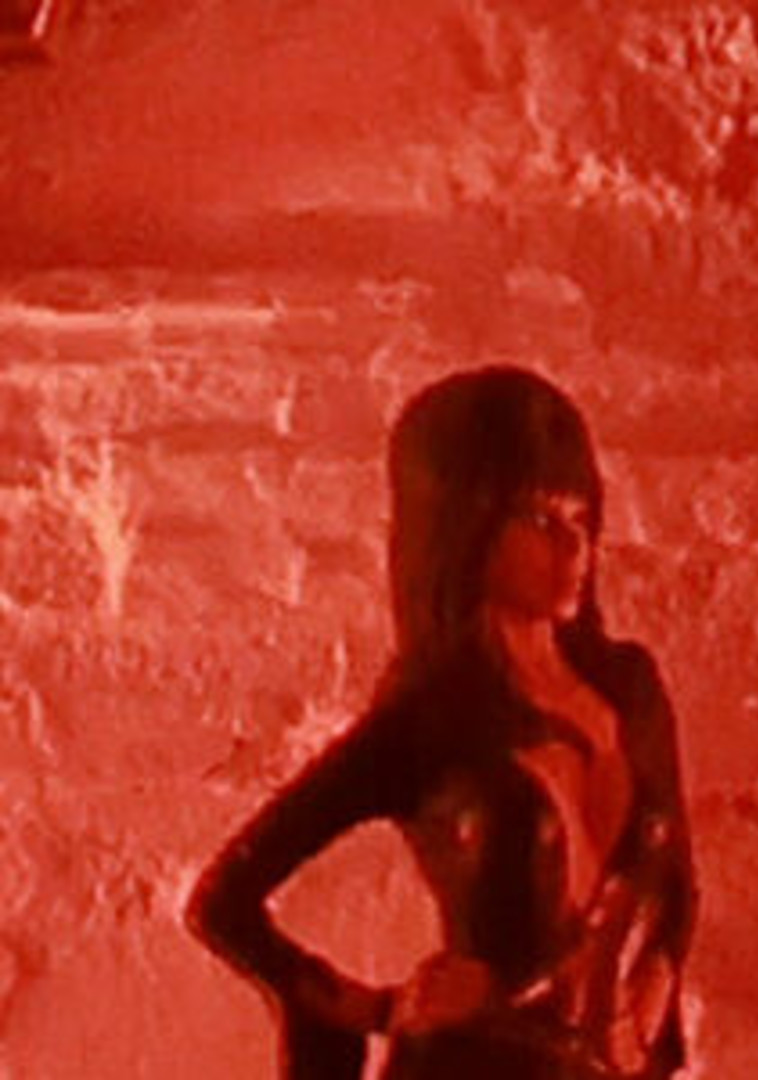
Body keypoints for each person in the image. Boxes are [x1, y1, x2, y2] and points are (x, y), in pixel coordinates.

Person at [186, 366, 698, 1080]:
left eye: (581, 520)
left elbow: (675, 887)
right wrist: (375, 1009)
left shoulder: (629, 686)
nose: (571, 548)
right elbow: (224, 904)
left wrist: (645, 1003)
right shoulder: (430, 718)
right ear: (468, 526)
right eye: (538, 520)